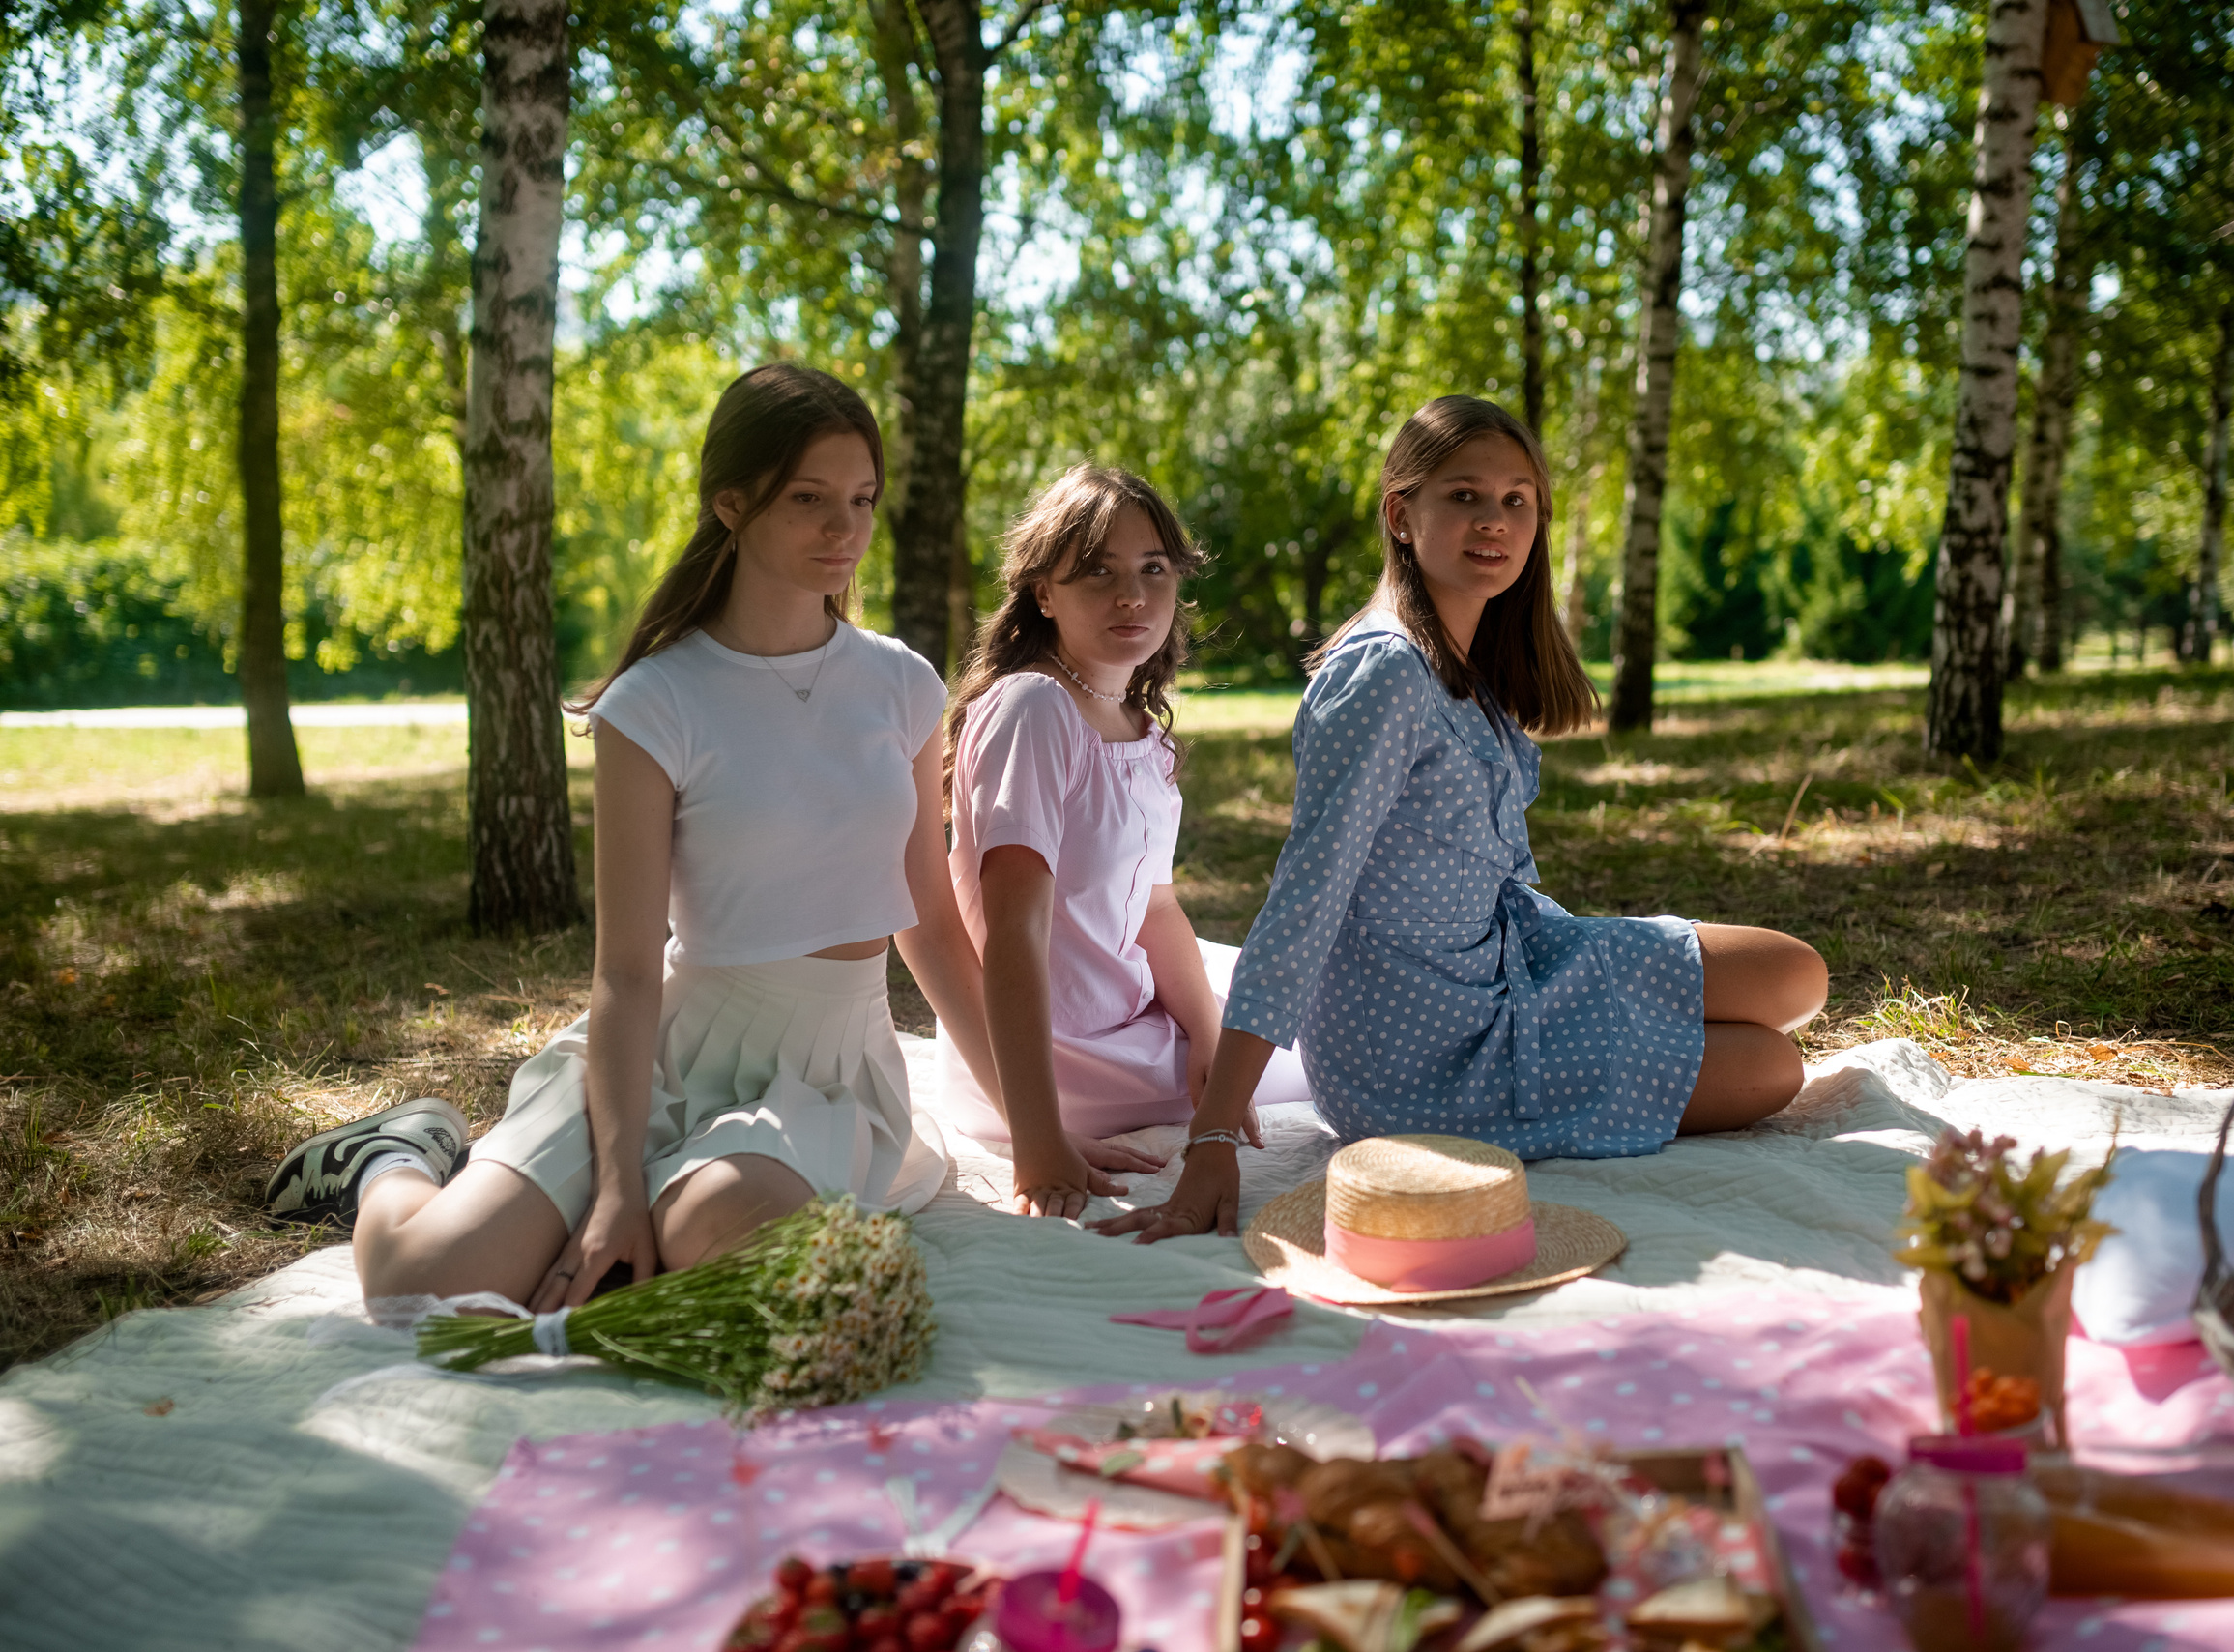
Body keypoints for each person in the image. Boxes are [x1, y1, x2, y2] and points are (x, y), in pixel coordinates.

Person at [264, 364, 1011, 1311]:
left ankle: (665, 1211)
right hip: (664, 1048)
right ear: (731, 504)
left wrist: (1038, 1125)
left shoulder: (902, 685)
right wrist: (615, 1184)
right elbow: (623, 969)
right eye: (809, 500)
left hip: (826, 1073)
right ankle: (391, 1151)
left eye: (861, 499)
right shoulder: (654, 702)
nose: (845, 530)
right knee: (419, 1281)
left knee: (733, 1230)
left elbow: (934, 925)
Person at [1096, 395, 1829, 1245]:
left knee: (1796, 976)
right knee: (1775, 1068)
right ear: (1402, 516)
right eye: (1466, 496)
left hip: (1513, 967)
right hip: (1423, 1056)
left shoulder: (1466, 661)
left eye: (1518, 499)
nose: (1495, 520)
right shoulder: (1384, 677)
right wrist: (1215, 1133)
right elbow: (1304, 901)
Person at [935, 465, 1310, 1220]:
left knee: (1295, 990)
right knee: (1324, 1050)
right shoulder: (1035, 709)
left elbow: (1155, 905)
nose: (1132, 596)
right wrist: (1037, 1139)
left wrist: (1209, 1038)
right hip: (1058, 1052)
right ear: (1044, 592)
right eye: (1098, 572)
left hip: (1133, 1009)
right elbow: (1014, 934)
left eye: (1153, 569)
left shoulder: (1140, 727)